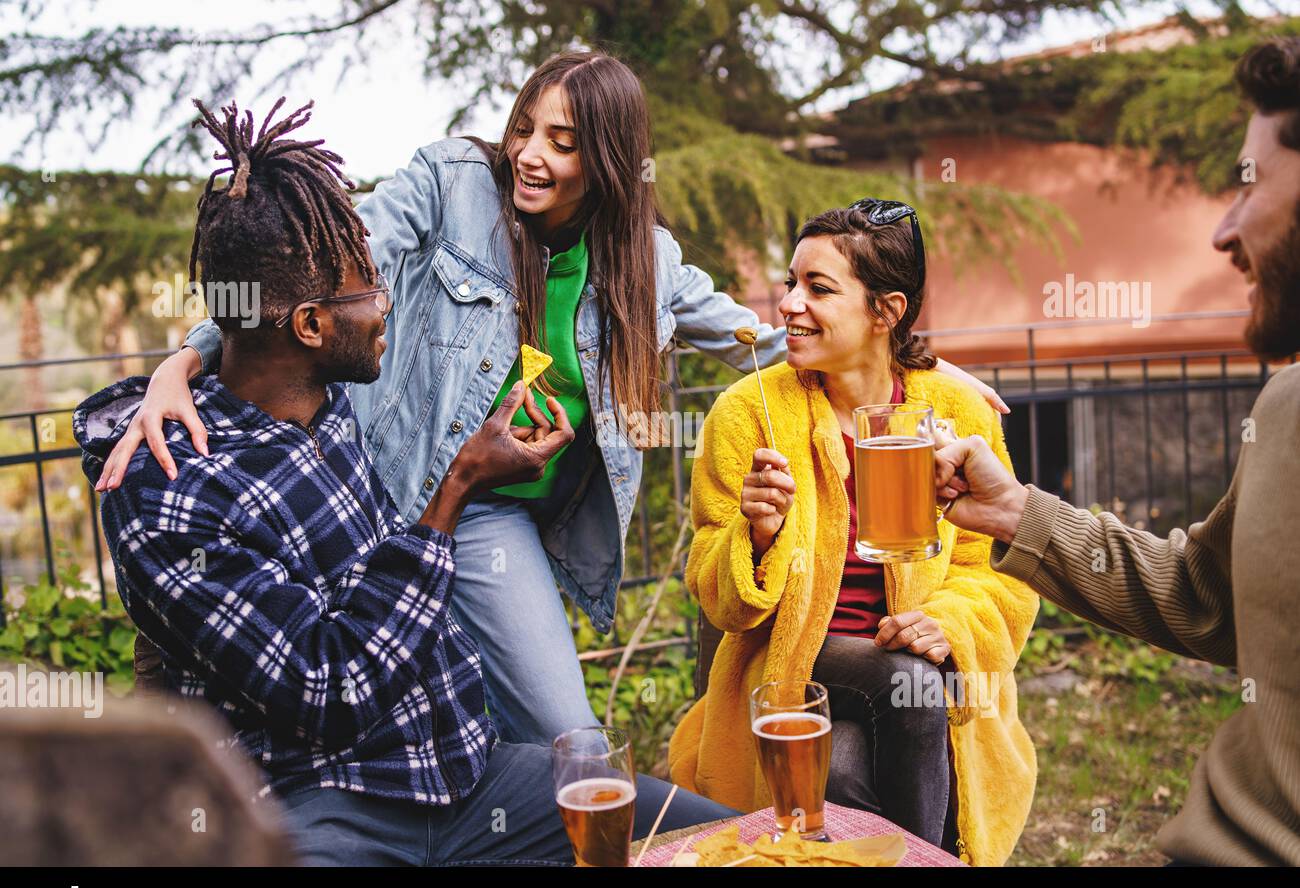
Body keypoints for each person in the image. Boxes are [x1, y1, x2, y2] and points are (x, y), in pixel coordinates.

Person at [95, 50, 1008, 747]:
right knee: (364, 720)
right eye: (526, 127)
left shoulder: (643, 261)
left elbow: (758, 338)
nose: (530, 155)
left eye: (563, 142)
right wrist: (187, 357)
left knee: (570, 742)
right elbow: (320, 268)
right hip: (384, 487)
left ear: (608, 157)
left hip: (493, 520)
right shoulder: (452, 183)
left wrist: (916, 366)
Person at [75, 98, 735, 866]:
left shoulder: (325, 398)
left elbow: (262, 313)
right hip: (318, 809)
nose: (393, 298)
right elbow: (332, 687)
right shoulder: (167, 492)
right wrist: (455, 491)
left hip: (464, 778)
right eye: (373, 287)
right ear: (314, 328)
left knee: (722, 839)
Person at [932, 37, 1300, 866]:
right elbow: (1207, 595)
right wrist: (1018, 512)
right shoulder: (1285, 404)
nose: (1223, 231)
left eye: (1251, 185)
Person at [668, 202, 1040, 866]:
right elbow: (712, 589)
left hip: (915, 667)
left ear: (886, 310)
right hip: (792, 660)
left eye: (818, 288)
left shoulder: (953, 413)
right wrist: (752, 539)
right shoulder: (748, 413)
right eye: (790, 283)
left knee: (844, 772)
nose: (787, 304)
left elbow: (1001, 573)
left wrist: (948, 623)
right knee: (910, 684)